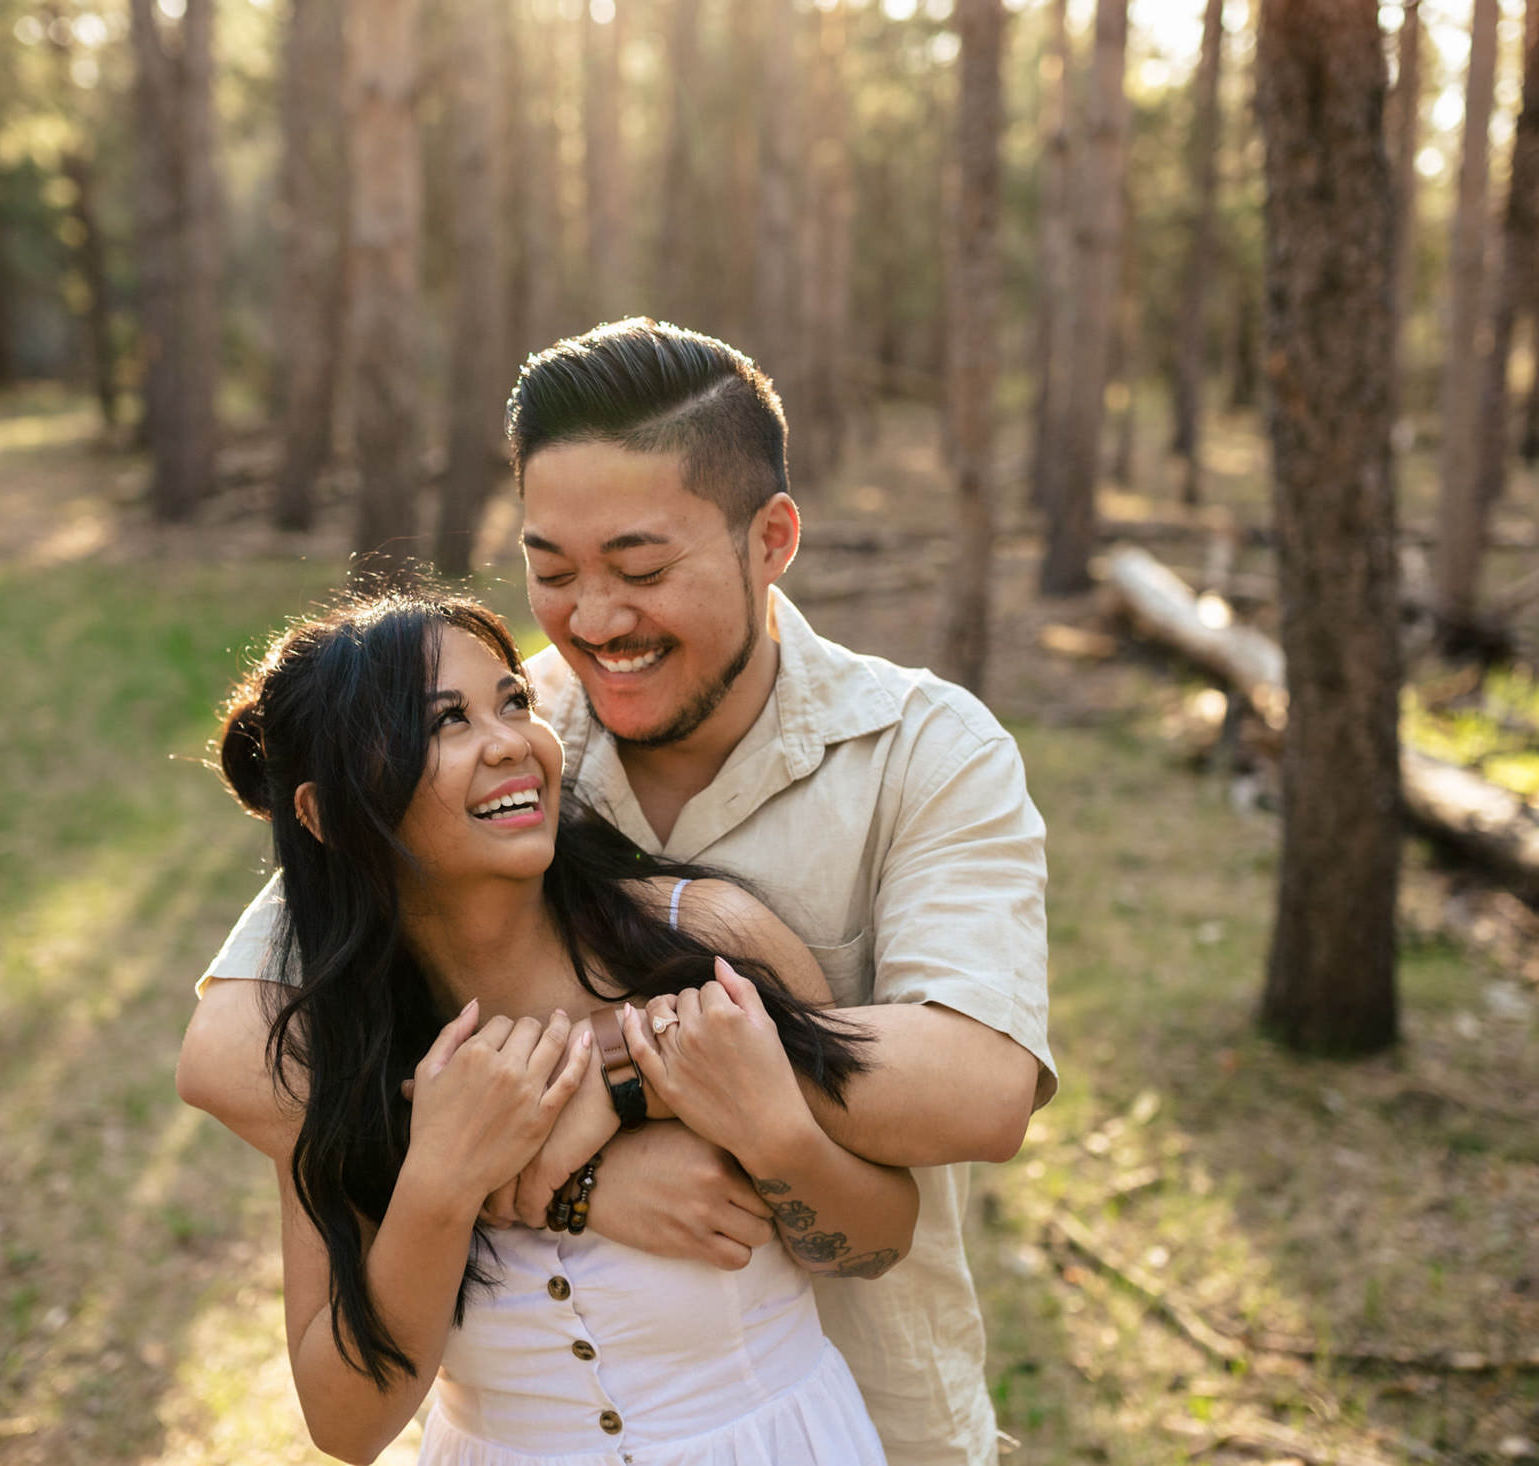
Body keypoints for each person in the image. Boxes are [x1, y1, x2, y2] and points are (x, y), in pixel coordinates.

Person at [180, 319, 1056, 1465]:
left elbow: (981, 1087)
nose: (593, 623)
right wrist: (561, 1173)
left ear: (771, 539)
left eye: (640, 570)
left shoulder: (923, 751)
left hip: (867, 1423)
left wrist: (628, 1079)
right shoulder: (509, 731)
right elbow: (234, 1044)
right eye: (552, 573)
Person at [219, 588, 910, 1464]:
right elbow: (345, 1427)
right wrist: (441, 1181)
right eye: (444, 723)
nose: (510, 742)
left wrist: (767, 1131)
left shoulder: (702, 943)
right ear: (322, 816)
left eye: (513, 702)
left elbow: (883, 1238)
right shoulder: (340, 1050)